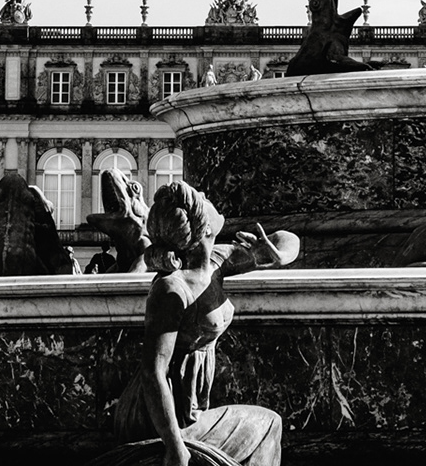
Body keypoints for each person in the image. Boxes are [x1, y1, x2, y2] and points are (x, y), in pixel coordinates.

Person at [108, 182, 297, 466]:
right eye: (203, 199)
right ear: (205, 228)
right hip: (158, 418)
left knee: (266, 425)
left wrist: (277, 254)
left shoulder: (217, 261)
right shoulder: (173, 289)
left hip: (188, 407)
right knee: (269, 424)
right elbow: (153, 373)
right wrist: (175, 447)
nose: (209, 196)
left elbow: (286, 238)